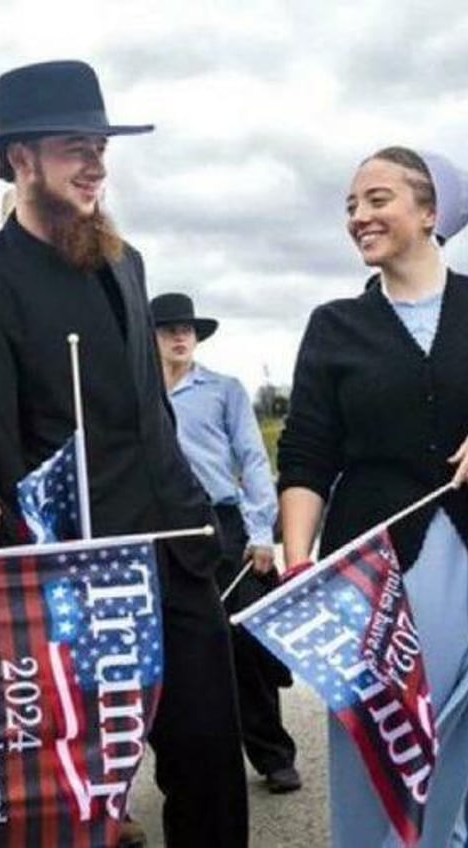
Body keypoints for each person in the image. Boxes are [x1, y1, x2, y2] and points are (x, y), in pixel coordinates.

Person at [0, 61, 248, 848]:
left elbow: (151, 415)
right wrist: (38, 564)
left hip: (173, 554)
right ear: (20, 159)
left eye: (101, 144)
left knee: (209, 762)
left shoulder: (124, 262)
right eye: (76, 146)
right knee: (76, 790)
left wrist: (201, 520)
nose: (97, 162)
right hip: (73, 572)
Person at [277, 145, 468, 847]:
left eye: (377, 200)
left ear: (429, 212)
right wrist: (296, 563)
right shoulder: (334, 326)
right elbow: (307, 454)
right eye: (350, 206)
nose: (360, 217)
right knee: (390, 742)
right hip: (382, 574)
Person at [151, 291, 302, 794]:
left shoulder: (223, 389)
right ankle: (185, 762)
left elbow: (254, 460)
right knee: (171, 647)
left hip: (223, 523)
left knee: (245, 640)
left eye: (187, 329)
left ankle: (273, 754)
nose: (179, 336)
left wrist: (262, 532)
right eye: (169, 328)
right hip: (161, 527)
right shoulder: (137, 393)